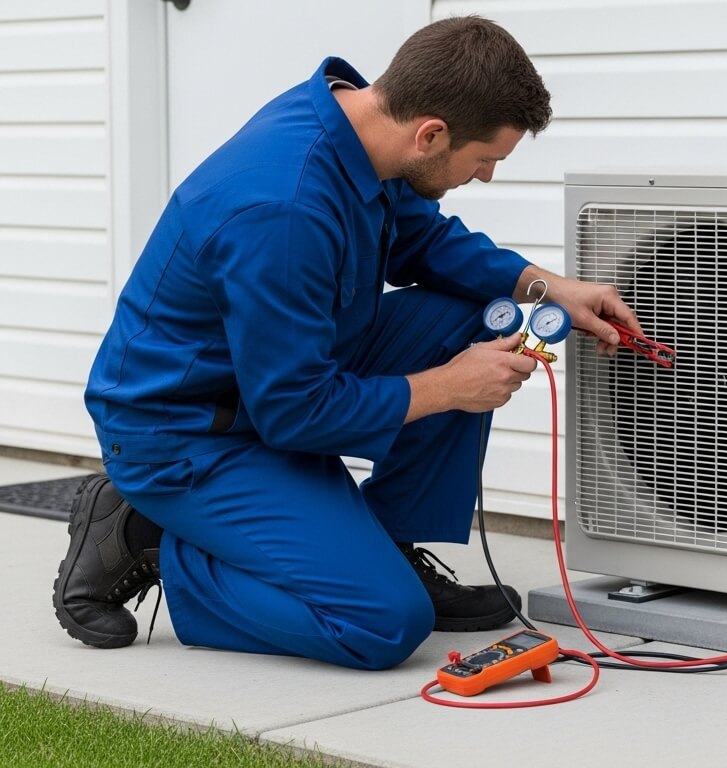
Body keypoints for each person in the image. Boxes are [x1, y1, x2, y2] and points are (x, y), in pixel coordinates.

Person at [52, 16, 639, 670]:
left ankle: (386, 546)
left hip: (278, 378)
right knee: (382, 622)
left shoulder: (360, 129)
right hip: (189, 434)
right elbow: (294, 412)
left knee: (481, 317)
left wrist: (549, 288)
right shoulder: (285, 208)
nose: (486, 178)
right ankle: (157, 539)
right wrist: (449, 386)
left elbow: (426, 243)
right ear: (432, 134)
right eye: (485, 161)